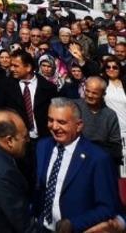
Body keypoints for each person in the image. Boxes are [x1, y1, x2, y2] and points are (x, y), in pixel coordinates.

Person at [33, 98, 120, 231]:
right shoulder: (43, 146)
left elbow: (108, 207)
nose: (54, 127)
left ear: (78, 125)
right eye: (51, 120)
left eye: (61, 122)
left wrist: (73, 225)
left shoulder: (98, 158)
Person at [0, 49, 55, 140]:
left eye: (16, 66)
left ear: (28, 67)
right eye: (11, 66)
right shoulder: (5, 86)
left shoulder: (49, 88)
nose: (11, 69)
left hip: (44, 139)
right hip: (17, 139)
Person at [75, 75, 124, 165]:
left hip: (99, 160)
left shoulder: (110, 115)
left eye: (94, 93)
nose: (89, 95)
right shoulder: (74, 107)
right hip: (76, 158)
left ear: (103, 94)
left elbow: (115, 146)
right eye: (87, 91)